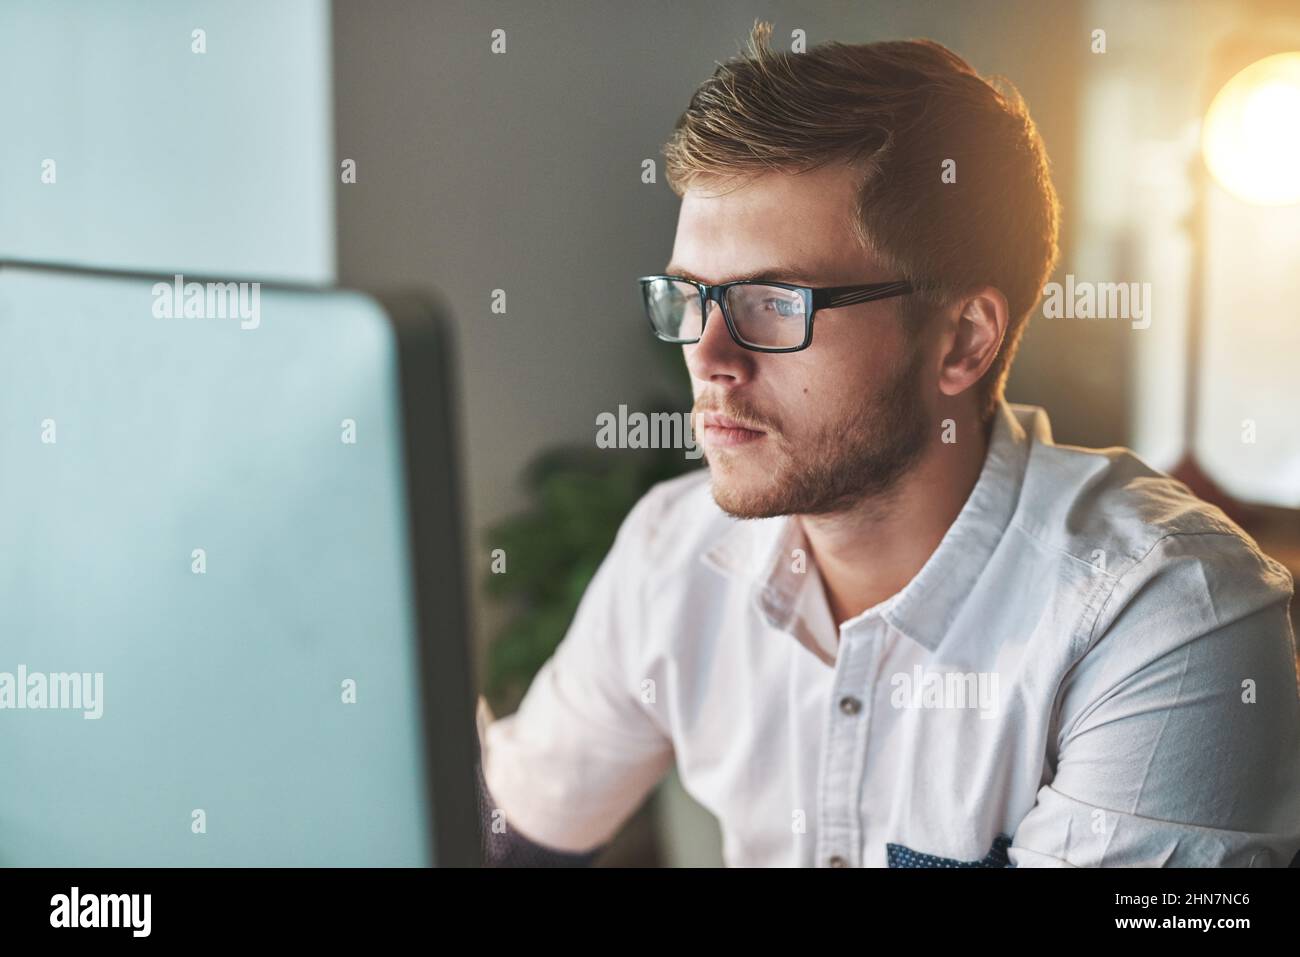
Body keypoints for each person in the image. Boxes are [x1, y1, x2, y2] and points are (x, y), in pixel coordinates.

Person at [476, 21, 1300, 867]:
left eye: (772, 303)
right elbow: (516, 837)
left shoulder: (1165, 612)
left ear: (962, 341)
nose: (708, 359)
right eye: (689, 298)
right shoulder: (672, 550)